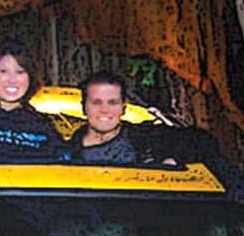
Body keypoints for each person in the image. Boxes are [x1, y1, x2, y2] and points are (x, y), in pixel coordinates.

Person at [67, 70, 222, 166]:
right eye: (96, 102)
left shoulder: (146, 138)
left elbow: (203, 141)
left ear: (124, 107)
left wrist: (171, 162)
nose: (104, 110)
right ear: (83, 107)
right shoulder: (63, 152)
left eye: (112, 102)